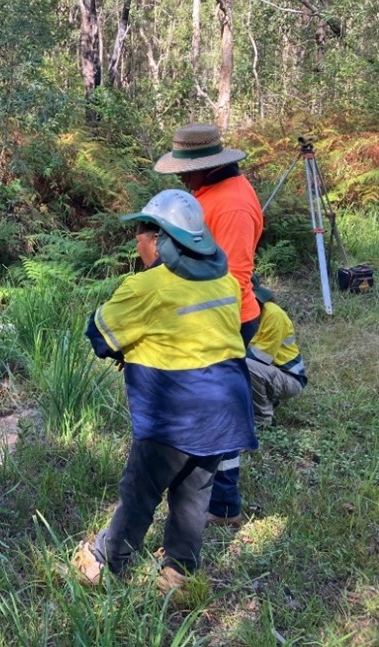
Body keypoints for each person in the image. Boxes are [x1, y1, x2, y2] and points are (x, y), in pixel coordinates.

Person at [74, 189, 257, 594]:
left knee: (139, 491)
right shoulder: (225, 281)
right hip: (226, 409)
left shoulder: (146, 287)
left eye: (140, 234)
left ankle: (103, 563)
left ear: (158, 240)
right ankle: (179, 575)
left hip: (175, 411)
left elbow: (100, 335)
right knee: (194, 495)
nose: (137, 242)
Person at [154, 123, 264, 525]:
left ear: (207, 166)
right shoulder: (211, 193)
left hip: (225, 321)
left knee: (217, 414)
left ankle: (222, 504)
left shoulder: (231, 204)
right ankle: (213, 498)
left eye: (186, 171)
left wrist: (200, 328)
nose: (182, 179)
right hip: (209, 318)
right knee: (210, 410)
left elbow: (233, 278)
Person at [246, 276, 307, 426]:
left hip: (289, 377)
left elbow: (260, 357)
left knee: (244, 365)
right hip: (270, 373)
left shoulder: (273, 315)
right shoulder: (243, 315)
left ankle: (262, 419)